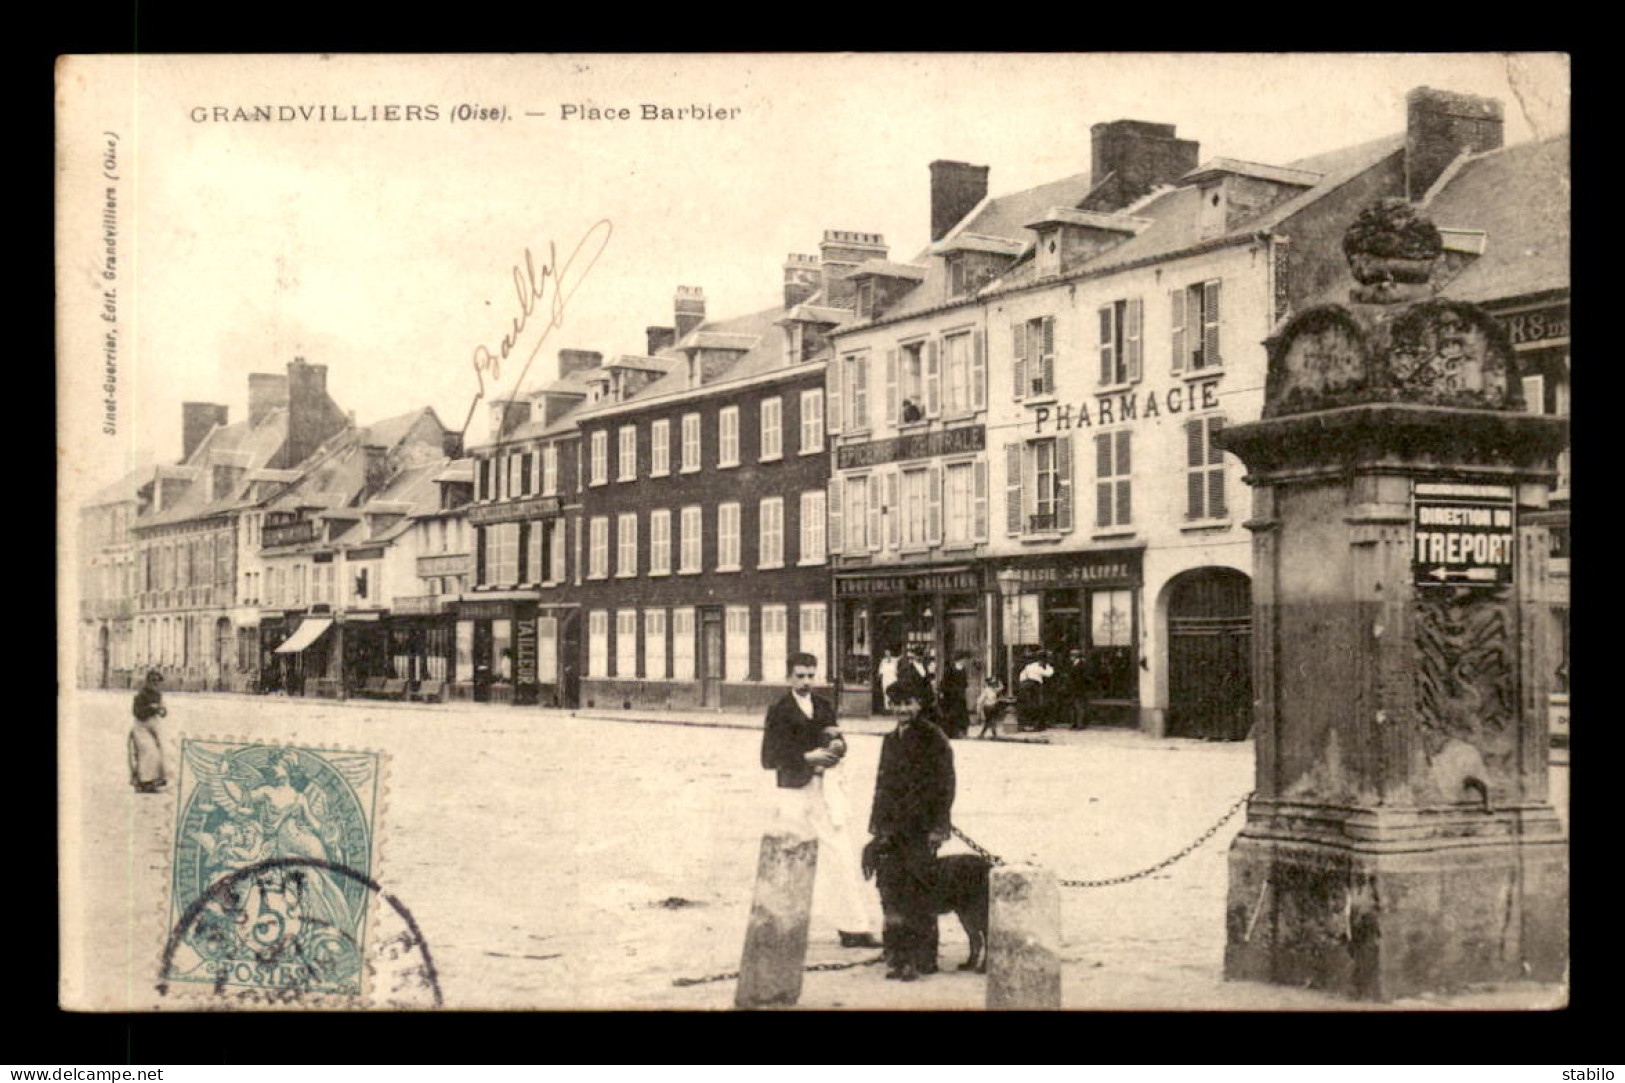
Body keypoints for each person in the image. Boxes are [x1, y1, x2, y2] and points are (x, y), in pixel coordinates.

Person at [759, 652, 882, 949]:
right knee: (789, 856)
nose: (806, 681)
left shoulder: (824, 706)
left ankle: (853, 927)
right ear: (788, 677)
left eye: (811, 675)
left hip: (825, 789)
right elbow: (768, 758)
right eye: (800, 675)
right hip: (793, 791)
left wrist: (838, 746)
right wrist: (804, 757)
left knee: (840, 855)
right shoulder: (779, 710)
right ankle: (779, 929)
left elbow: (839, 742)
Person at [869, 681, 956, 981]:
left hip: (921, 828)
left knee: (920, 892)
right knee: (892, 890)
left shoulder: (934, 738)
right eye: (897, 704)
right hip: (893, 829)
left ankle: (924, 957)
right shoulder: (890, 739)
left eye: (908, 703)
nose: (902, 710)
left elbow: (945, 785)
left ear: (920, 704)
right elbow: (881, 785)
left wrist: (939, 827)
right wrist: (877, 828)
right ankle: (897, 955)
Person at [129, 669, 168, 793]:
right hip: (141, 727)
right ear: (148, 682)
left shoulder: (158, 696)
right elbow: (137, 713)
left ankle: (156, 779)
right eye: (154, 683)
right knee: (148, 751)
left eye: (158, 683)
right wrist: (151, 709)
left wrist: (162, 710)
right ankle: (144, 781)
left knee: (161, 750)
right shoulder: (140, 696)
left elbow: (164, 711)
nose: (156, 686)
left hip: (154, 727)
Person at [1016, 650, 1053, 731]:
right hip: (1035, 686)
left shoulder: (1028, 666)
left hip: (1025, 685)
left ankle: (1024, 724)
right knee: (1037, 705)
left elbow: (1021, 676)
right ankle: (1037, 725)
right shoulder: (1039, 667)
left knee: (1026, 705)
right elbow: (1049, 674)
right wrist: (1049, 666)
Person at [939, 652, 971, 739]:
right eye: (964, 659)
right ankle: (951, 733)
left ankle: (961, 732)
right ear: (959, 659)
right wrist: (943, 693)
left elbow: (965, 682)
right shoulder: (950, 669)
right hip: (951, 696)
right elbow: (944, 682)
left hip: (960, 696)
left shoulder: (963, 669)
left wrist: (963, 688)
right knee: (951, 715)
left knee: (962, 714)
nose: (965, 661)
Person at [1065, 647, 1092, 730]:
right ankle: (1074, 723)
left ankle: (1080, 724)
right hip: (1074, 689)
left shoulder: (1081, 665)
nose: (1071, 657)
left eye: (1072, 655)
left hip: (1079, 688)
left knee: (1079, 706)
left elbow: (1083, 677)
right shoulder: (1074, 664)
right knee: (1074, 706)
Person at [875, 647, 900, 715]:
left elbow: (901, 657)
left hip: (893, 679)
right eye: (886, 652)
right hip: (885, 679)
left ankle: (893, 709)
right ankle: (887, 709)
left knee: (893, 694)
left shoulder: (895, 660)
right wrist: (879, 677)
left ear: (890, 652)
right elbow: (880, 671)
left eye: (888, 652)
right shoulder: (883, 661)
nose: (887, 653)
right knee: (886, 693)